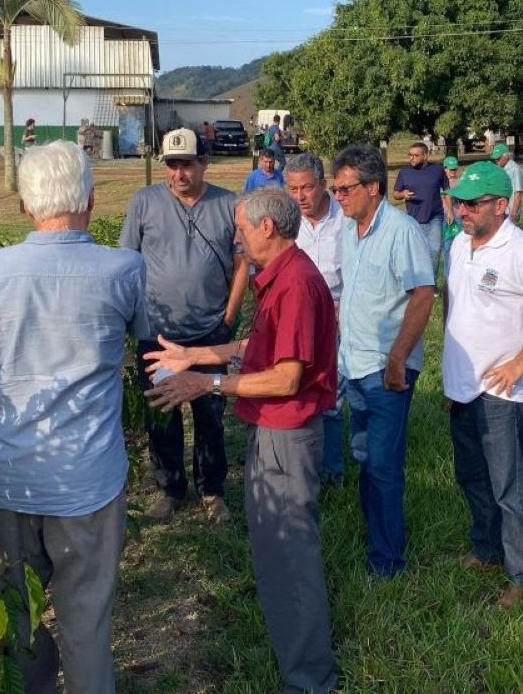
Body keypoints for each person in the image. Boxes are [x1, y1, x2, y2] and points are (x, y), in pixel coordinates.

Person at [0, 140, 148, 693]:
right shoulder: (124, 269)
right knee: (87, 622)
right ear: (93, 199)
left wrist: (4, 375)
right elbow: (148, 343)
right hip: (88, 479)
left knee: (14, 614)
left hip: (7, 476)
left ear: (25, 205)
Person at [144, 188, 338, 694]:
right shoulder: (280, 278)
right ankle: (300, 666)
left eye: (242, 228)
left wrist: (206, 383)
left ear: (267, 228)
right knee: (277, 552)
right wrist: (196, 355)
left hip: (286, 435)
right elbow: (260, 346)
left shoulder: (294, 284)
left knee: (289, 556)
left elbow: (286, 378)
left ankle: (309, 679)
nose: (237, 236)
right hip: (273, 431)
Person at [441, 161, 523, 609]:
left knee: (509, 487)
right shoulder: (459, 245)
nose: (463, 211)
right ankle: (486, 548)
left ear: (501, 205)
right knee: (471, 476)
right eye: (460, 202)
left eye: (474, 204)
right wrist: (449, 375)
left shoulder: (521, 251)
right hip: (462, 387)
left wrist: (521, 361)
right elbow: (456, 312)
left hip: (501, 392)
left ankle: (522, 574)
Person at [119, 127, 249, 523]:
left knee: (210, 413)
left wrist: (228, 317)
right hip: (157, 333)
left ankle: (212, 491)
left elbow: (243, 261)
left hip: (209, 332)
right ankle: (169, 488)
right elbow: (126, 261)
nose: (179, 174)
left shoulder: (228, 204)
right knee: (162, 415)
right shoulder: (144, 201)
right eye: (172, 166)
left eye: (187, 165)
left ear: (204, 163)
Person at [333, 143, 435, 577]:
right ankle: (374, 536)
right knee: (363, 456)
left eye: (344, 189)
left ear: (372, 187)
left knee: (384, 466)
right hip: (353, 365)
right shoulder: (347, 230)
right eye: (334, 189)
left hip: (385, 370)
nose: (338, 197)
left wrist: (398, 358)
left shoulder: (401, 231)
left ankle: (388, 560)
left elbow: (423, 294)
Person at [286, 153, 348, 485]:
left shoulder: (345, 220)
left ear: (323, 184)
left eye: (307, 187)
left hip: (338, 319)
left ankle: (331, 473)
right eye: (293, 189)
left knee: (332, 397)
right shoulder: (286, 222)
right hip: (297, 322)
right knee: (297, 391)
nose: (300, 197)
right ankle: (300, 466)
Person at [392, 141, 449, 272]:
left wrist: (450, 210)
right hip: (414, 220)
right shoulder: (404, 172)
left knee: (434, 251)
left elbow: (446, 190)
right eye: (410, 155)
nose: (411, 158)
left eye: (416, 155)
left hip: (435, 217)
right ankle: (417, 283)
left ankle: (431, 284)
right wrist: (403, 194)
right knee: (415, 255)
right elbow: (395, 194)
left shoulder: (437, 170)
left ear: (425, 156)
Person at [490, 143, 523, 223]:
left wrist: (514, 212)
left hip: (511, 212)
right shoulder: (501, 168)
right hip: (502, 210)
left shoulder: (515, 169)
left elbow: (518, 193)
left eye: (498, 158)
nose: (496, 161)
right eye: (495, 159)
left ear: (506, 156)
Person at [441, 155, 462, 265]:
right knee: (447, 247)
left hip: (458, 216)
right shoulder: (441, 183)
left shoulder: (460, 182)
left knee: (460, 246)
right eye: (451, 169)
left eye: (455, 169)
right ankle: (447, 277)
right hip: (444, 217)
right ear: (445, 169)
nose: (453, 171)